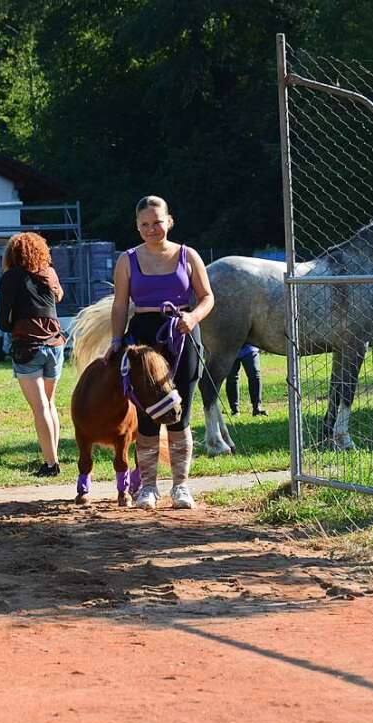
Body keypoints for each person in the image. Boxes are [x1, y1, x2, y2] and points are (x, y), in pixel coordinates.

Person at [107, 195, 215, 510]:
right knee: (147, 415)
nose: (152, 229)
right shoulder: (127, 260)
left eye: (157, 222)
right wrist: (116, 342)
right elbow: (119, 305)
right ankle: (149, 488)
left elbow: (207, 297)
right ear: (137, 227)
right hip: (143, 339)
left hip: (182, 335)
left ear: (169, 221)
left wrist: (192, 317)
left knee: (180, 414)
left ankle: (181, 487)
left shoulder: (188, 255)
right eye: (145, 225)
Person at [0, 232, 66, 476]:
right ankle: (53, 456)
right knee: (50, 404)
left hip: (28, 347)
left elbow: (3, 322)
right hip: (56, 345)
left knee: (40, 409)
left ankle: (50, 464)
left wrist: (16, 320)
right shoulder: (48, 272)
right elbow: (59, 296)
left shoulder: (10, 278)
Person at [226, 344, 267, 417]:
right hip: (230, 347)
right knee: (231, 378)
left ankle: (257, 408)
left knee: (254, 374)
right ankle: (234, 410)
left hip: (249, 347)